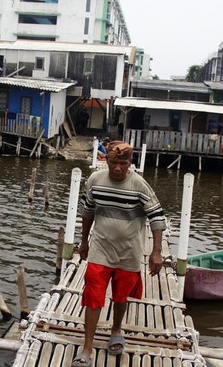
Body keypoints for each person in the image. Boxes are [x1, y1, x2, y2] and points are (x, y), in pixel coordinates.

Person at [72, 141, 167, 366]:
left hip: (129, 251)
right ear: (106, 161)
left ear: (130, 163)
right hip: (101, 248)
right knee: (93, 295)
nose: (117, 168)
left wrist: (156, 252)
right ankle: (87, 347)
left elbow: (157, 217)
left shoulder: (140, 186)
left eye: (122, 163)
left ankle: (116, 329)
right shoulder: (95, 180)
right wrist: (84, 241)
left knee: (121, 295)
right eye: (113, 162)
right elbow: (88, 211)